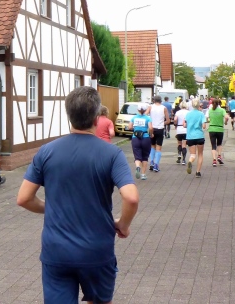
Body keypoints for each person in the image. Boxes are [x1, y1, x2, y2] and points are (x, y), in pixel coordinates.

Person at [17, 86, 139, 304]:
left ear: (69, 116)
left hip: (56, 250)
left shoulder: (46, 151)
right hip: (97, 250)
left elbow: (24, 198)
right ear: (97, 118)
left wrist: (51, 206)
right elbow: (131, 197)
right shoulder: (112, 154)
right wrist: (123, 225)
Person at [128, 104, 153, 180]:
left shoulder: (134, 118)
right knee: (145, 156)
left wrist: (135, 129)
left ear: (138, 110)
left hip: (135, 138)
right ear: (145, 110)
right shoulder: (148, 118)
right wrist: (151, 134)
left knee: (137, 156)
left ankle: (138, 167)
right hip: (145, 138)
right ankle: (143, 174)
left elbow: (129, 127)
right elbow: (150, 128)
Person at [184, 99, 207, 177]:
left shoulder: (188, 114)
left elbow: (185, 125)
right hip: (199, 136)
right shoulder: (201, 114)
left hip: (190, 136)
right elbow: (204, 126)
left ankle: (190, 161)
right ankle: (198, 172)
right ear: (199, 105)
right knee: (200, 154)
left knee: (193, 155)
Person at [148, 95, 170, 173]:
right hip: (160, 129)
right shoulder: (164, 108)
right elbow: (168, 121)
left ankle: (151, 162)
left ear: (154, 100)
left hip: (152, 128)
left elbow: (145, 115)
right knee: (159, 147)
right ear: (161, 101)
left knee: (152, 146)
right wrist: (162, 123)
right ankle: (156, 165)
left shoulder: (150, 107)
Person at [207, 98, 228, 167]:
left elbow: (207, 118)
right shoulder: (222, 110)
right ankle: (219, 156)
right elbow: (226, 117)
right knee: (219, 144)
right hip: (220, 129)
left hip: (212, 129)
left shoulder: (210, 110)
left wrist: (210, 120)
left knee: (213, 145)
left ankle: (214, 160)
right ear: (219, 103)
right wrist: (225, 122)